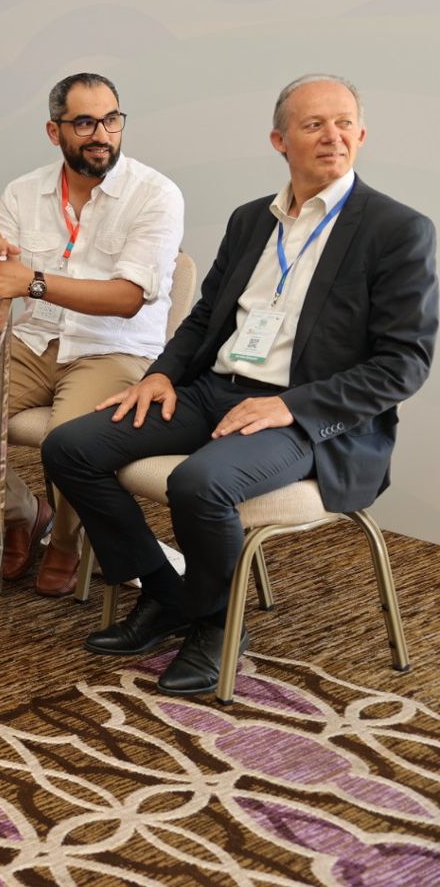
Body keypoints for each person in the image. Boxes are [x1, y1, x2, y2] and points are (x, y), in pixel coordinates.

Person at [42, 74, 437, 696]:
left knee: (199, 483)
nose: (332, 136)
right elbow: (206, 318)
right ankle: (169, 594)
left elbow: (403, 364)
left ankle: (216, 624)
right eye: (314, 124)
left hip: (305, 415)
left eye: (344, 123)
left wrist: (290, 407)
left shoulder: (397, 230)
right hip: (215, 389)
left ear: (361, 134)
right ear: (280, 141)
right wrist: (161, 375)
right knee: (71, 447)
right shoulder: (252, 220)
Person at [0, 73, 183, 597]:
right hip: (34, 342)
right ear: (54, 131)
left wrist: (33, 282)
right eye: (84, 123)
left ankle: (67, 540)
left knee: (70, 444)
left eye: (111, 120)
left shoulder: (155, 194)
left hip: (112, 349)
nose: (101, 135)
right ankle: (23, 513)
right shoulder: (24, 192)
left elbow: (128, 298)